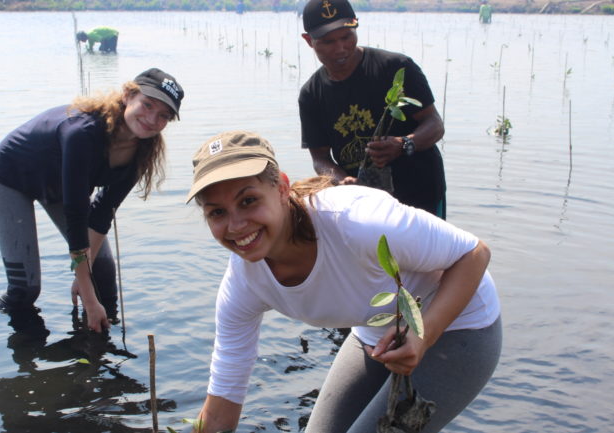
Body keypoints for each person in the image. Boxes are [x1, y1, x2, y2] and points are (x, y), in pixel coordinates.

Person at [185, 131, 502, 433]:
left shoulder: (357, 222)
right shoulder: (243, 283)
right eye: (217, 213)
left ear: (282, 188)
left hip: (460, 326)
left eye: (248, 201)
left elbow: (474, 254)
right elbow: (222, 404)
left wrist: (422, 335)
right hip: (377, 333)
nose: (236, 226)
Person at [0, 68, 184, 333]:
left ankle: (105, 334)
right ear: (127, 95)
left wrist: (87, 278)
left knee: (101, 266)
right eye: (147, 105)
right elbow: (76, 214)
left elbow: (103, 210)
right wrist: (89, 297)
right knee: (26, 288)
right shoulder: (82, 132)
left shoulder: (142, 150)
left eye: (163, 116)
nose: (151, 119)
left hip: (59, 186)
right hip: (12, 177)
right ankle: (10, 345)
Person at [298, 0, 447, 219]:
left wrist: (404, 143)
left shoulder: (396, 68)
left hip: (421, 195)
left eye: (347, 37)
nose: (340, 48)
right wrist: (340, 180)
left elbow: (435, 124)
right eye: (329, 41)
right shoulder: (311, 94)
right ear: (309, 41)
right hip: (364, 203)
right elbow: (320, 158)